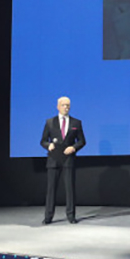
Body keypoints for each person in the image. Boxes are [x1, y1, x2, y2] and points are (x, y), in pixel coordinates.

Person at [40, 96, 86, 224]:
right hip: (53, 159)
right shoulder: (50, 122)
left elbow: (82, 141)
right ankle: (48, 216)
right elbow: (43, 141)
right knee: (51, 189)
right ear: (58, 107)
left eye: (68, 105)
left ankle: (71, 215)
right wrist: (48, 145)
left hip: (68, 159)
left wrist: (73, 147)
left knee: (70, 188)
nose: (66, 107)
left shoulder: (76, 123)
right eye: (63, 105)